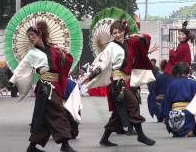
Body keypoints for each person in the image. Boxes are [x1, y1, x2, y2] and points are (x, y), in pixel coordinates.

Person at [8, 21, 77, 152]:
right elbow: (21, 67)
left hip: (54, 87)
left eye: (32, 34)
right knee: (58, 114)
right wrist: (11, 82)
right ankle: (65, 145)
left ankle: (32, 147)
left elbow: (65, 64)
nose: (30, 37)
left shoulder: (54, 48)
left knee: (44, 119)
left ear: (39, 34)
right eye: (28, 36)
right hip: (46, 88)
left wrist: (64, 55)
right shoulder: (32, 53)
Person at [84, 20, 156, 146]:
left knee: (117, 114)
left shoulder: (129, 43)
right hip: (118, 83)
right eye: (114, 33)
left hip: (127, 82)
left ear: (124, 31)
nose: (117, 35)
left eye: (119, 32)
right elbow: (102, 62)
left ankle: (104, 139)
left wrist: (139, 36)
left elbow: (145, 41)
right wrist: (93, 73)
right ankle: (141, 136)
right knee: (133, 105)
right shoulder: (111, 47)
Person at [162, 62, 196, 137]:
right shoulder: (193, 83)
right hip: (189, 116)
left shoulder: (172, 84)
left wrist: (166, 118)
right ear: (188, 72)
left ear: (177, 72)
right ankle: (190, 131)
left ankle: (179, 131)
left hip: (174, 118)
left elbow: (166, 103)